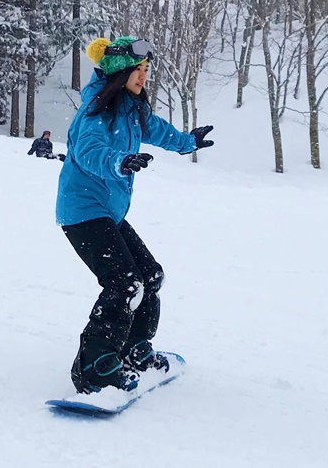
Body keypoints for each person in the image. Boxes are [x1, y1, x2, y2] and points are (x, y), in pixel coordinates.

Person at [56, 36, 214, 394]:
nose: (142, 77)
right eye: (136, 70)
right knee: (124, 283)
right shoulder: (96, 111)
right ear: (120, 72)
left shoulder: (132, 109)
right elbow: (88, 151)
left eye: (145, 70)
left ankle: (134, 349)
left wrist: (188, 141)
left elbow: (158, 130)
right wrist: (119, 161)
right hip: (82, 212)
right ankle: (95, 368)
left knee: (150, 276)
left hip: (107, 212)